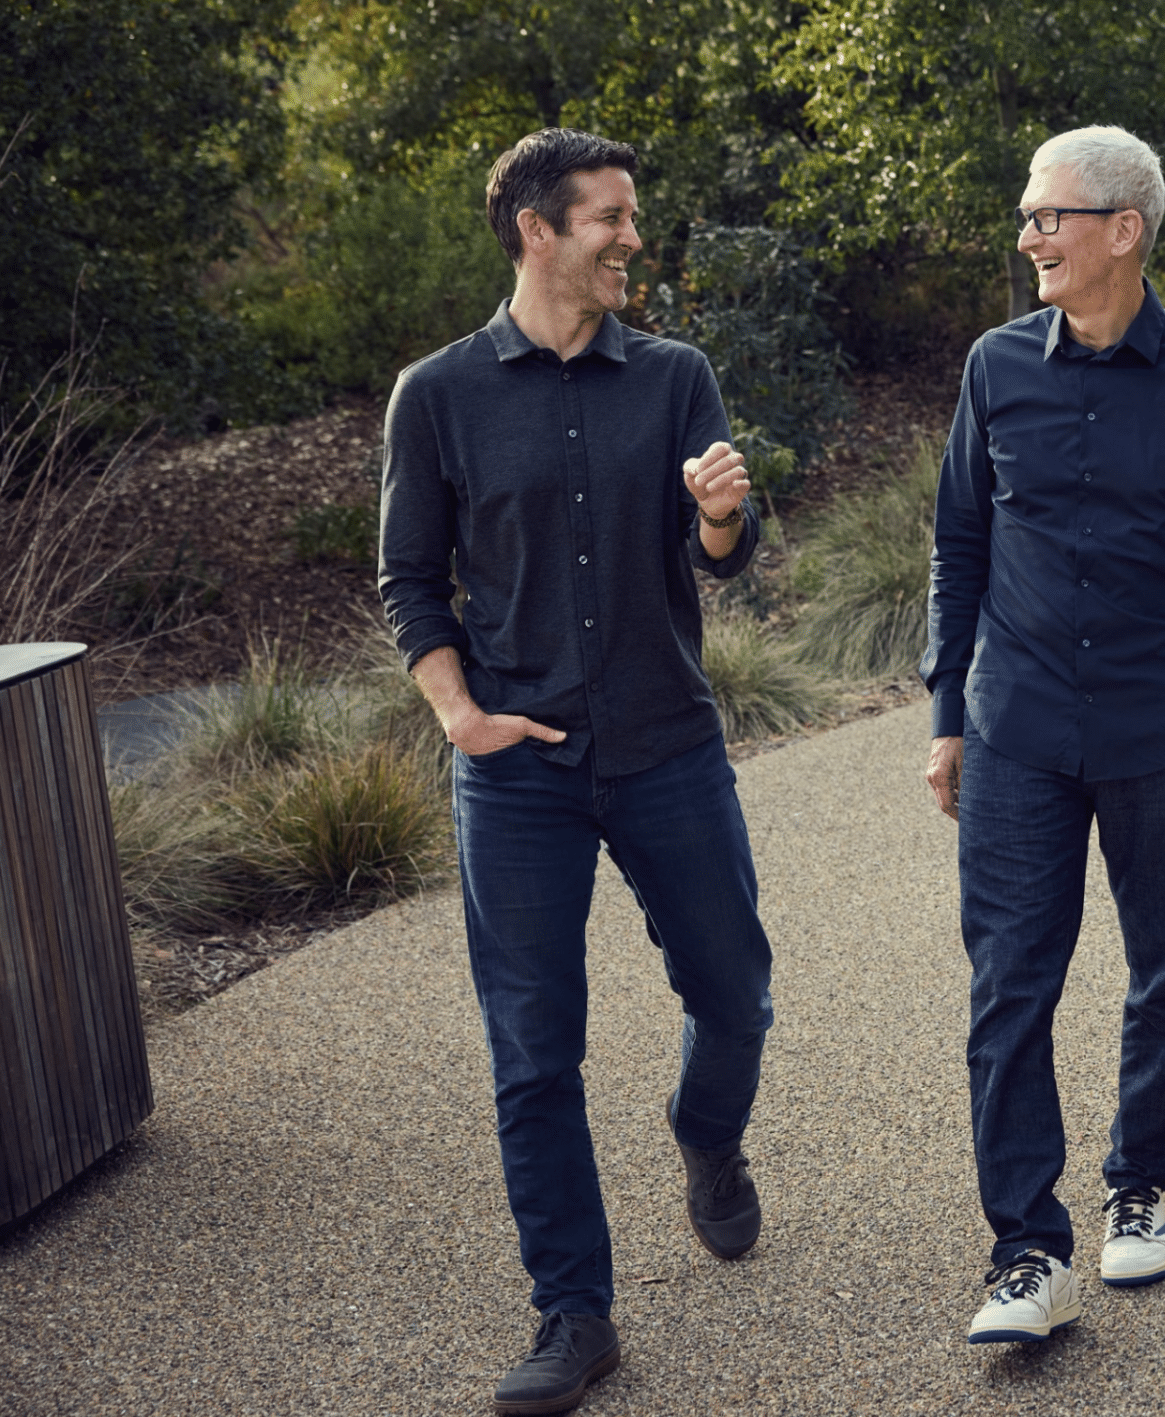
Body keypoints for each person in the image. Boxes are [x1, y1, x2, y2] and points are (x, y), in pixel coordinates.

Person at [378, 127, 775, 1416]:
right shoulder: (435, 394)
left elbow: (721, 552)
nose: (630, 239)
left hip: (667, 746)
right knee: (533, 1054)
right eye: (608, 217)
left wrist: (719, 511)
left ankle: (706, 1137)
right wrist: (459, 714)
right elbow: (408, 581)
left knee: (736, 993)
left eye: (630, 215)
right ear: (537, 230)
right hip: (519, 772)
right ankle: (575, 1312)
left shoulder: (675, 378)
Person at [921, 125, 1165, 1344]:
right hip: (1017, 729)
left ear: (1122, 231)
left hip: (1157, 725)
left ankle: (1139, 1186)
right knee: (1008, 989)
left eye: (1049, 217)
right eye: (1027, 217)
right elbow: (959, 548)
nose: (1028, 236)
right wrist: (945, 720)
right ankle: (1025, 1253)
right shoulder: (994, 367)